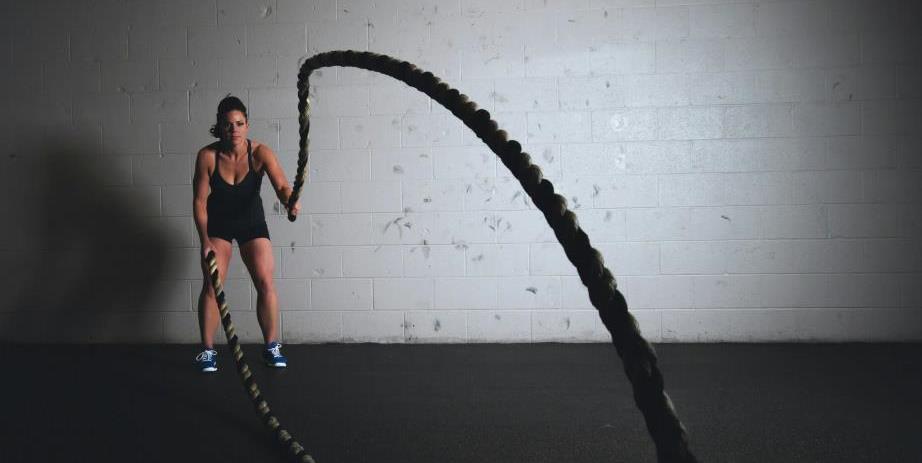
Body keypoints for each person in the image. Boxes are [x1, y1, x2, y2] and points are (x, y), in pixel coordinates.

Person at [192, 95, 300, 373]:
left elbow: (282, 186)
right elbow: (200, 202)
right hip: (219, 226)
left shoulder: (260, 153)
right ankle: (207, 351)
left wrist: (290, 200)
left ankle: (271, 346)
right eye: (228, 125)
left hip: (252, 224)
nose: (234, 130)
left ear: (247, 125)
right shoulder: (207, 156)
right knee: (212, 285)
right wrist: (204, 241)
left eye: (239, 123)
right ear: (220, 127)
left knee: (266, 281)